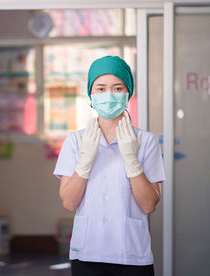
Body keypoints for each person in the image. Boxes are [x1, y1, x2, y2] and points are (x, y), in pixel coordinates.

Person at [53, 56, 165, 276]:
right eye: (101, 88)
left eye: (117, 87)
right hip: (87, 253)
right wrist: (85, 160)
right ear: (91, 94)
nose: (109, 95)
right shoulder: (76, 141)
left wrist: (131, 160)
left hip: (132, 253)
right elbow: (68, 202)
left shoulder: (146, 141)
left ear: (128, 93)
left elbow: (149, 205)